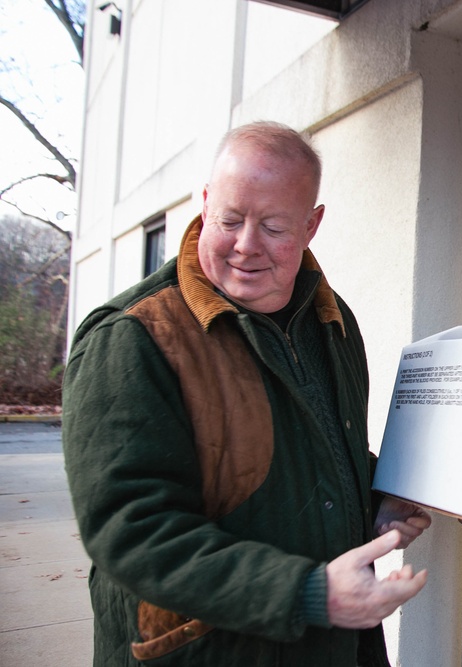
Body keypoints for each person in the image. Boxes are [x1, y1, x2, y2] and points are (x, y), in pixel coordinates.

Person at [61, 121, 431, 666]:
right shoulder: (132, 337)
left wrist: (382, 498)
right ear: (205, 202)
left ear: (312, 225)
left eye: (275, 227)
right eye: (229, 219)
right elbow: (131, 531)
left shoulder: (332, 320)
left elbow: (318, 458)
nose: (246, 245)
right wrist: (308, 592)